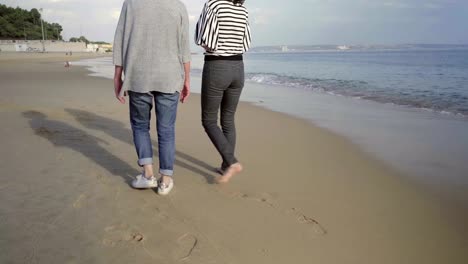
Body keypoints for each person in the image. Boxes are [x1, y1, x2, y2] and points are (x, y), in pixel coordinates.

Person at [113, 0, 191, 195]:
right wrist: (187, 78)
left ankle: (148, 175)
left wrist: (117, 76)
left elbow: (120, 39)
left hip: (139, 75)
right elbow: (184, 46)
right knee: (166, 130)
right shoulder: (178, 6)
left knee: (140, 125)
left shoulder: (131, 3)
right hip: (169, 76)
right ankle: (165, 180)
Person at [195, 0, 251, 183]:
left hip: (217, 66)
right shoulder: (242, 9)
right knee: (228, 119)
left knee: (209, 120)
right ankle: (226, 166)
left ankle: (232, 162)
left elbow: (204, 39)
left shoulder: (214, 4)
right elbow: (246, 43)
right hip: (238, 67)